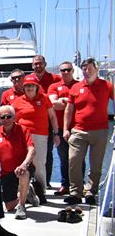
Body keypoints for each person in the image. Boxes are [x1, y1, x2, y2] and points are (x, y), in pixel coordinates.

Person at [64, 57, 115, 206]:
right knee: (73, 162)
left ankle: (91, 192)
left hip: (100, 131)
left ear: (96, 69)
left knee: (96, 165)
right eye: (84, 69)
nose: (86, 71)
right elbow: (69, 109)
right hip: (79, 131)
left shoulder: (107, 86)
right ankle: (75, 193)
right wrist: (66, 128)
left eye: (89, 68)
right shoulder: (75, 88)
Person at [11, 74, 60, 204]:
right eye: (27, 86)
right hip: (22, 136)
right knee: (22, 163)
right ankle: (23, 192)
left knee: (39, 164)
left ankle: (41, 191)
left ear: (36, 87)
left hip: (40, 136)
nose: (29, 88)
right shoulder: (18, 101)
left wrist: (56, 133)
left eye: (32, 86)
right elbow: (11, 118)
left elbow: (52, 117)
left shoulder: (44, 99)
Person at [0, 105, 35, 219]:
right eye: (3, 117)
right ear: (0, 119)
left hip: (24, 167)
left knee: (23, 173)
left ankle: (22, 206)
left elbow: (32, 150)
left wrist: (24, 165)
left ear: (14, 118)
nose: (6, 119)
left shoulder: (23, 130)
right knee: (9, 206)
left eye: (9, 116)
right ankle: (26, 192)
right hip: (7, 173)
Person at [28, 54, 60, 187]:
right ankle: (30, 182)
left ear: (45, 64)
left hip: (49, 121)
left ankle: (45, 183)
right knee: (30, 153)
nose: (38, 66)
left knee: (48, 154)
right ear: (32, 66)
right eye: (35, 64)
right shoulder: (28, 79)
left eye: (40, 63)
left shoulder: (55, 78)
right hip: (32, 123)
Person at [47, 61, 79, 196]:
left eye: (68, 70)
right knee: (63, 157)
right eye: (63, 70)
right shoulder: (54, 86)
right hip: (60, 128)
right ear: (59, 72)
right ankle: (65, 185)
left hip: (78, 127)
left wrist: (64, 101)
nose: (66, 72)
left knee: (78, 158)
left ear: (72, 71)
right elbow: (53, 104)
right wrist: (70, 101)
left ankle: (78, 185)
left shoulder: (79, 85)